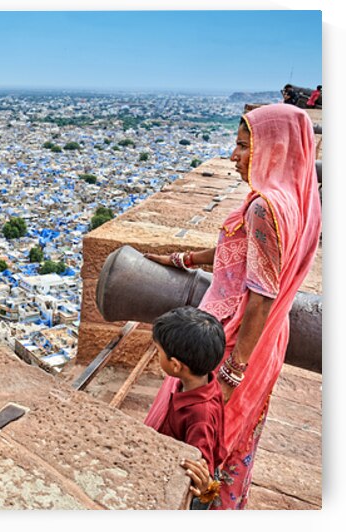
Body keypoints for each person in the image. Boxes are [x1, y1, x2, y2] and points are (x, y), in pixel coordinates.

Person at [143, 103, 321, 509]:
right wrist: (182, 259)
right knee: (238, 438)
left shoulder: (264, 208)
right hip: (268, 339)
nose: (233, 156)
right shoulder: (296, 201)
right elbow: (242, 254)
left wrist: (229, 374)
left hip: (233, 338)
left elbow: (261, 295)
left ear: (273, 149)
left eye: (243, 146)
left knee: (203, 435)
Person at [150, 306, 227, 510]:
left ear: (175, 365)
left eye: (158, 352)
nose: (156, 355)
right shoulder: (204, 381)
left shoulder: (199, 414)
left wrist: (204, 492)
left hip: (191, 494)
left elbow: (202, 472)